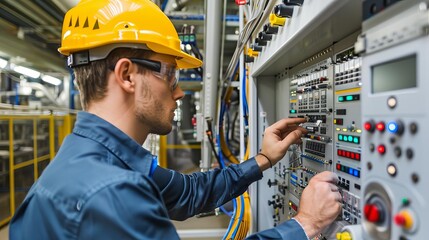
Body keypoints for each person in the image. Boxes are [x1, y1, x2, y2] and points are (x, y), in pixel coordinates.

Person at [9, 0, 342, 239]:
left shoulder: (97, 161)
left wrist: (264, 159)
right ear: (127, 75)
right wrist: (305, 224)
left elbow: (187, 193)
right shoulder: (112, 194)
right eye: (170, 74)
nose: (179, 91)